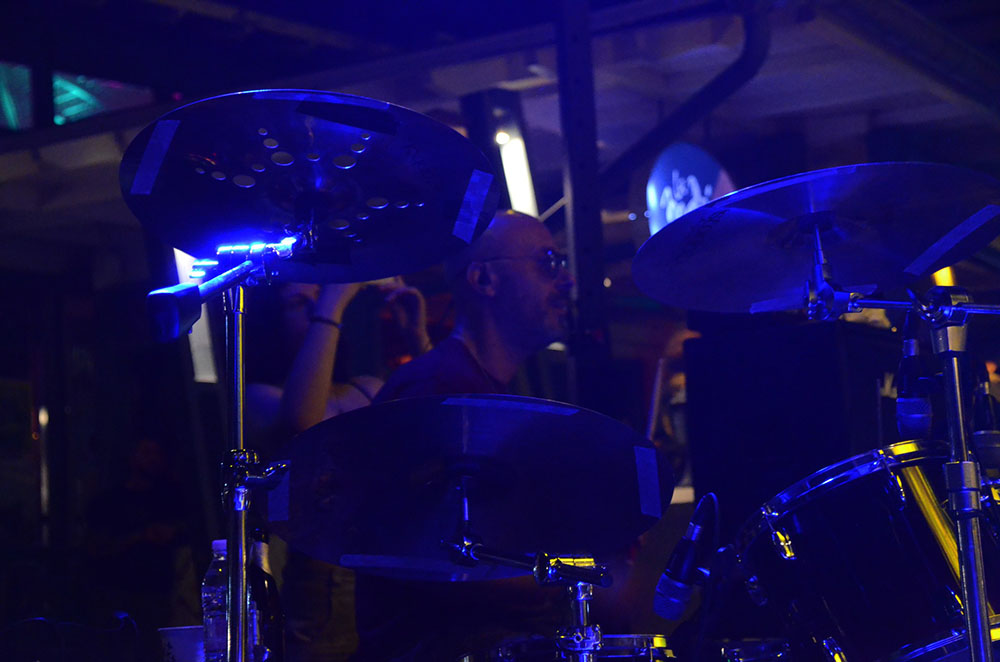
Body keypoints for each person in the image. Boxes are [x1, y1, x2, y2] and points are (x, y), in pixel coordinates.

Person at [354, 210, 577, 661]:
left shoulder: (479, 390)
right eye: (548, 263)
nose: (567, 280)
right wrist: (584, 576)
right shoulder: (435, 393)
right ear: (484, 280)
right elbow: (437, 565)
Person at [245, 278, 430, 662]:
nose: (316, 308)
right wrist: (332, 301)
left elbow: (442, 433)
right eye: (299, 302)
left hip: (394, 581)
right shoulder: (261, 397)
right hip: (322, 597)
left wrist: (417, 338)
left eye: (319, 297)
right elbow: (306, 426)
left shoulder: (366, 388)